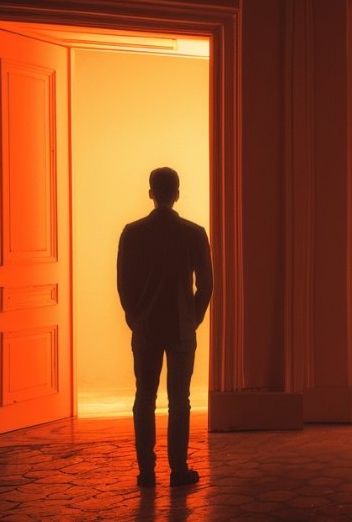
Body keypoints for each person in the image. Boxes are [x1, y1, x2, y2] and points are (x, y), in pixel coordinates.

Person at [117, 167, 212, 488]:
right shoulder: (194, 233)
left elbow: (124, 283)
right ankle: (178, 468)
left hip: (146, 326)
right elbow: (206, 285)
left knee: (144, 398)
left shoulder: (132, 232)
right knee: (179, 400)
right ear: (177, 193)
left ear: (151, 193)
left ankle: (146, 471)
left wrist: (134, 317)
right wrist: (193, 318)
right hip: (181, 326)